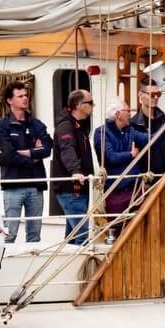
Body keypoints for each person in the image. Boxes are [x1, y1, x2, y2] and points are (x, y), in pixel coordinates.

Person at [0, 83, 51, 243]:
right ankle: (4, 264)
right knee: (10, 233)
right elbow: (7, 154)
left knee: (34, 235)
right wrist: (34, 155)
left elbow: (47, 149)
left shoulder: (37, 124)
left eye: (26, 95)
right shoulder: (1, 126)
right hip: (13, 185)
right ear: (9, 100)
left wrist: (22, 152)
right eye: (20, 96)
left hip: (35, 185)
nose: (25, 98)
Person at [52, 89, 96, 243]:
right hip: (72, 189)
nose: (93, 105)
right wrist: (75, 171)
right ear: (79, 105)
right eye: (90, 103)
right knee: (82, 236)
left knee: (72, 237)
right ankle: (80, 267)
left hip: (78, 189)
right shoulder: (66, 126)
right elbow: (67, 149)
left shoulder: (78, 125)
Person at [97, 99, 147, 215]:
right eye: (127, 111)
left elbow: (148, 138)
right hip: (116, 190)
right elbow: (110, 157)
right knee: (118, 226)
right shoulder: (101, 132)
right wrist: (131, 154)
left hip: (134, 188)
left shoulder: (130, 131)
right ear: (117, 114)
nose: (130, 114)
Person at [130, 82, 165, 177]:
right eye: (152, 95)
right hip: (146, 178)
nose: (156, 98)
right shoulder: (133, 124)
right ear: (140, 95)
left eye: (158, 94)